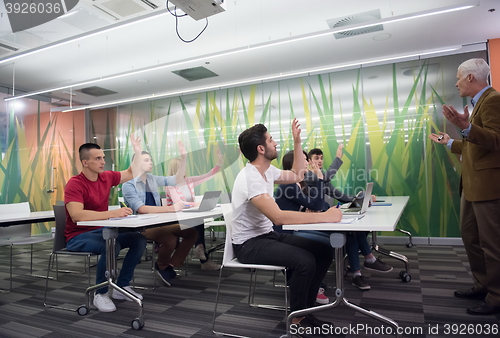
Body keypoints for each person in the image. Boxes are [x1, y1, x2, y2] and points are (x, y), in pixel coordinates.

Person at [232, 119, 342, 337]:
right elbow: (278, 216)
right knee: (304, 261)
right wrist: (324, 216)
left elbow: (298, 174)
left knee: (322, 251)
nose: (275, 143)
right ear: (261, 149)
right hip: (247, 244)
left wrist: (297, 140)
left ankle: (306, 311)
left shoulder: (268, 171)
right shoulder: (250, 178)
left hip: (266, 236)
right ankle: (297, 319)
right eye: (271, 140)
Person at [429, 58, 500, 315]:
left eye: (459, 77)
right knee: (471, 239)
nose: (456, 82)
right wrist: (449, 142)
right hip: (471, 186)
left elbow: (496, 140)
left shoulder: (492, 100)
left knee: (491, 244)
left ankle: (497, 296)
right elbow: (472, 146)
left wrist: (467, 127)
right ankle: (483, 285)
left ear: (470, 77)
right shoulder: (476, 103)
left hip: (488, 187)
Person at [64, 137, 148, 313]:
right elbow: (76, 215)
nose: (103, 162)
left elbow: (132, 172)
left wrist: (138, 150)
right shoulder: (75, 184)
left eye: (103, 157)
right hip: (77, 236)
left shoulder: (106, 177)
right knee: (111, 245)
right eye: (98, 158)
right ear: (85, 162)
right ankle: (100, 294)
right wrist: (112, 214)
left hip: (100, 230)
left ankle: (122, 287)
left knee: (138, 239)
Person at [304, 145, 393, 291]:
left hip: (326, 216)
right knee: (351, 233)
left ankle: (359, 272)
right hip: (314, 221)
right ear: (308, 161)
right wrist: (338, 157)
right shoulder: (308, 176)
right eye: (316, 158)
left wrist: (360, 199)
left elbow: (340, 196)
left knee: (353, 232)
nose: (319, 161)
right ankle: (368, 261)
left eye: (321, 158)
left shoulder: (322, 179)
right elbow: (325, 178)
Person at [122, 143, 198, 286]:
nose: (150, 162)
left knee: (191, 232)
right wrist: (171, 209)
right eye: (146, 160)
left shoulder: (151, 179)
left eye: (151, 160)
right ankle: (162, 265)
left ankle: (172, 263)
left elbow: (177, 179)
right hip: (141, 226)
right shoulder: (128, 184)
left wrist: (184, 157)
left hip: (158, 222)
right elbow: (141, 208)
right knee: (170, 240)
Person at [165, 149, 224, 270]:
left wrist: (219, 164)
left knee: (198, 219)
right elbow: (178, 203)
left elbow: (208, 175)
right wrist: (195, 204)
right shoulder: (170, 184)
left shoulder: (189, 181)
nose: (185, 169)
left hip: (189, 217)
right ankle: (202, 254)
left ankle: (201, 250)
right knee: (197, 221)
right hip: (175, 219)